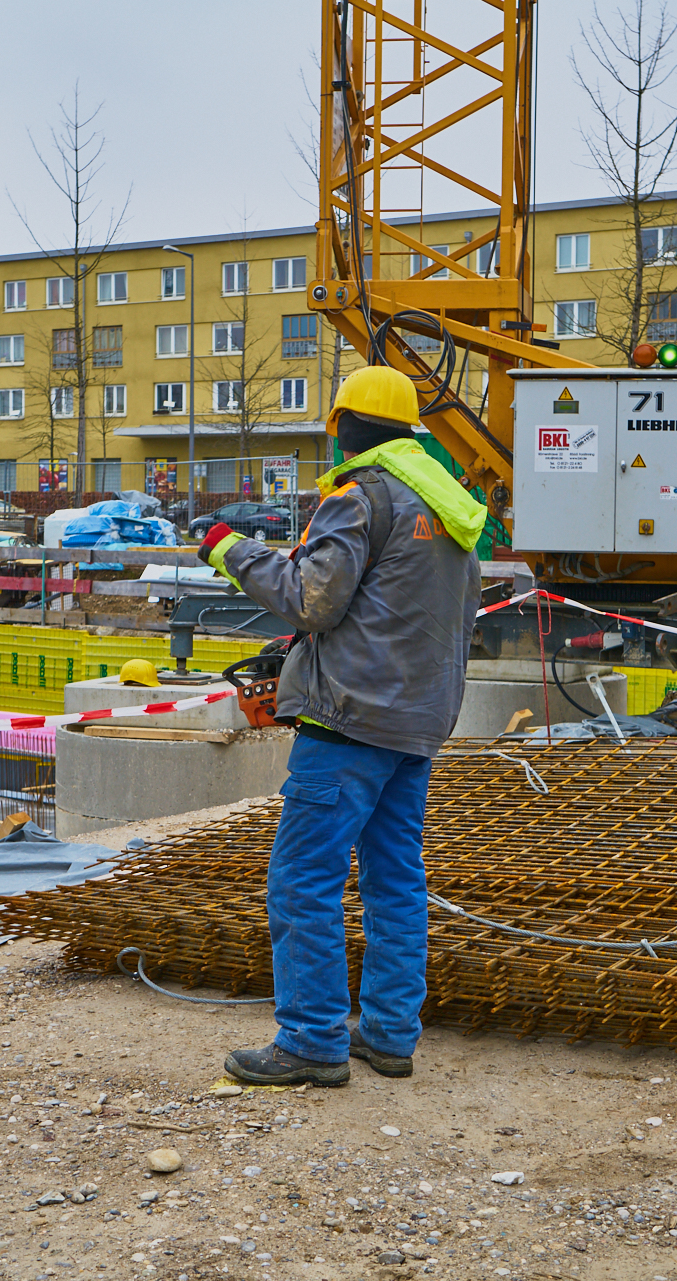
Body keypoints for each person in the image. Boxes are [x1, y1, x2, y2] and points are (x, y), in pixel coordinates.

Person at [196, 365, 486, 1086]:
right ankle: (389, 1034)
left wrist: (231, 549)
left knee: (303, 879)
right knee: (395, 878)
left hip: (348, 722)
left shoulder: (360, 496)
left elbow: (311, 598)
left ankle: (313, 1039)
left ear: (345, 427)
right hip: (416, 724)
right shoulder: (452, 506)